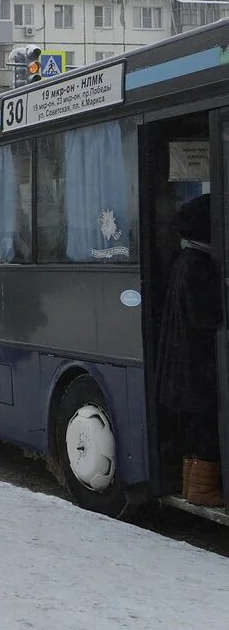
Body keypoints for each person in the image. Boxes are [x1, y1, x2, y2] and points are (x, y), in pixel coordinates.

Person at [153, 194, 223, 506]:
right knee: (207, 427)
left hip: (185, 367)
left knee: (195, 430)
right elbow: (204, 318)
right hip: (197, 366)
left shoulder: (184, 260)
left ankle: (190, 486)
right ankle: (202, 490)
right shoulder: (199, 265)